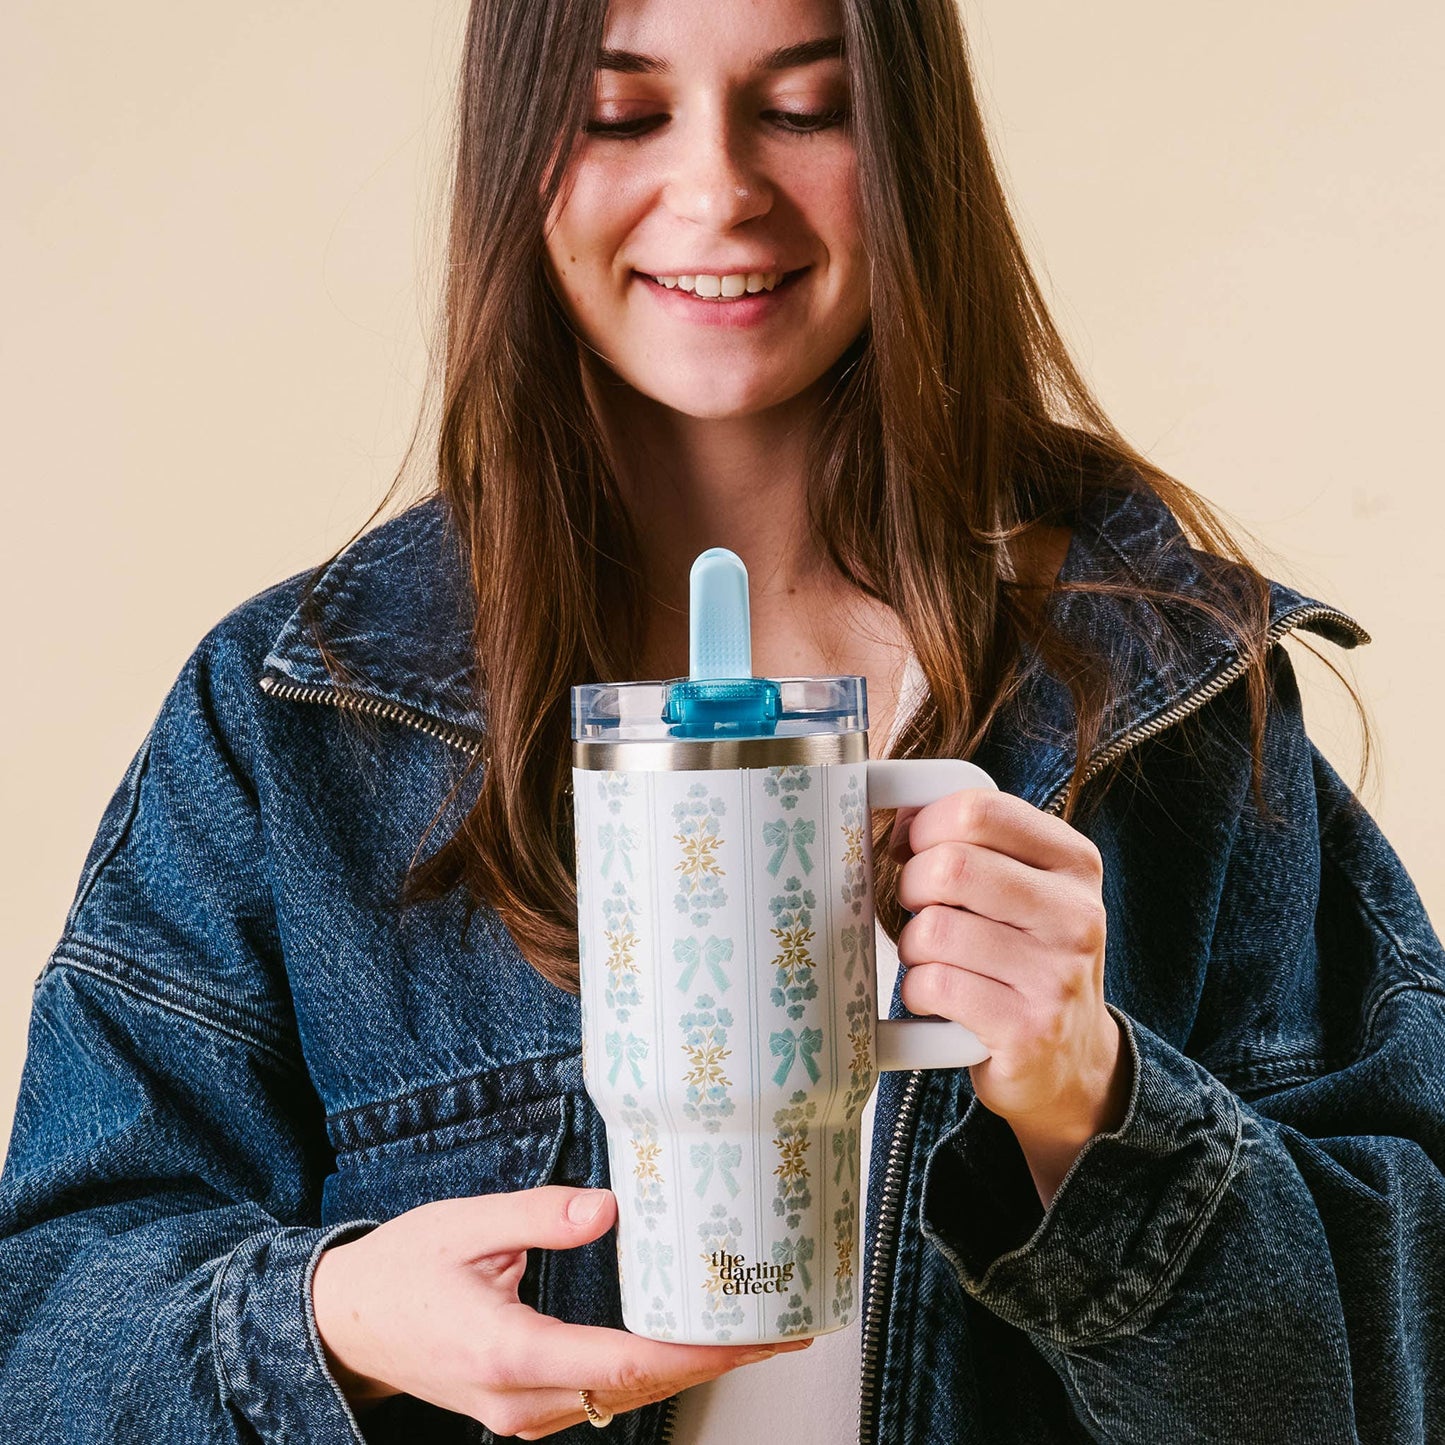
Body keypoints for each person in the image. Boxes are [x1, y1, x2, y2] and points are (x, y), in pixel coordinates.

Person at [2, 0, 1441, 1440]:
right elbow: (47, 1338)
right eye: (623, 115)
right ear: (516, 154)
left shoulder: (1166, 699)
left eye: (804, 109)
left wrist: (1095, 1103)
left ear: (906, 143)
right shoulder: (302, 725)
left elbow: (1393, 1375)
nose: (714, 191)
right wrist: (337, 1322)